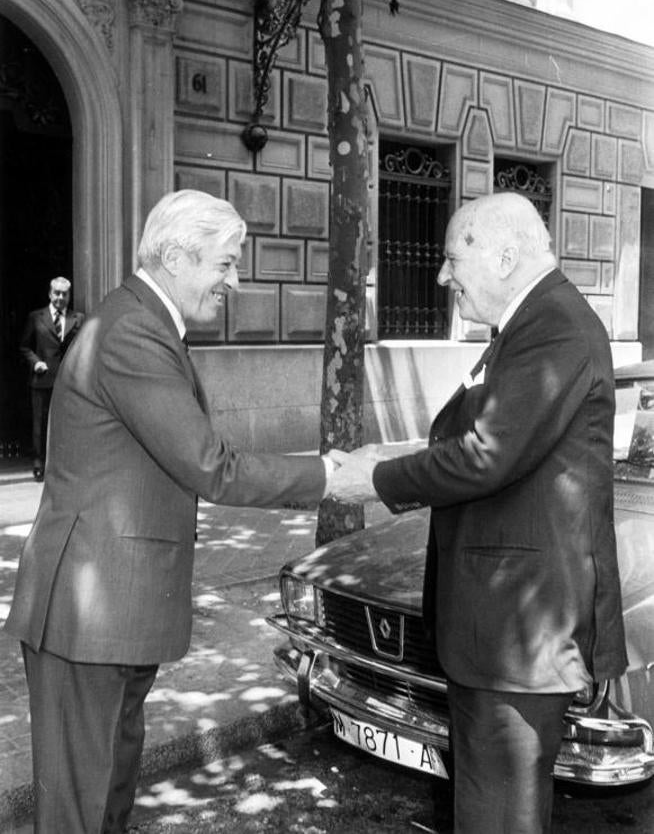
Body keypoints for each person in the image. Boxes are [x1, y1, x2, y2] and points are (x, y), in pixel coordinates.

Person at [5, 190, 335, 834]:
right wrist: (330, 474)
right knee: (79, 814)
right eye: (225, 264)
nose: (235, 282)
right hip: (87, 616)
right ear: (177, 257)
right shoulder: (132, 332)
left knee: (108, 802)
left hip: (114, 615)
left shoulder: (144, 324)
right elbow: (212, 465)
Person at [328, 192, 627, 834]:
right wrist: (394, 454)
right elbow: (488, 441)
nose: (442, 276)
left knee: (498, 817)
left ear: (504, 256)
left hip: (518, 636)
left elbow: (487, 455)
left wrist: (375, 480)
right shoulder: (530, 325)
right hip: (499, 633)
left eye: (451, 259)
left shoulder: (555, 326)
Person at [19, 276, 84, 479]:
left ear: (69, 296)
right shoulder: (36, 317)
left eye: (65, 294)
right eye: (57, 293)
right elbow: (25, 347)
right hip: (43, 379)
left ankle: (63, 465)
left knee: (66, 423)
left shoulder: (78, 319)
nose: (60, 297)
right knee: (40, 423)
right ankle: (39, 463)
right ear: (50, 294)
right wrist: (36, 362)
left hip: (68, 382)